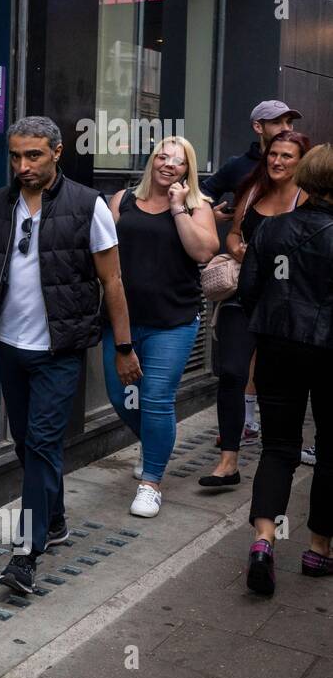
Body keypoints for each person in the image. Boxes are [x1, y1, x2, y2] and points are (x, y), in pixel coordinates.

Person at [0, 116, 140, 593]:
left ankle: (25, 555)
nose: (23, 166)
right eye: (15, 156)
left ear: (57, 151)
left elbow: (112, 281)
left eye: (33, 155)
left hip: (59, 350)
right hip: (10, 346)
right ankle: (54, 520)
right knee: (26, 445)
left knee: (44, 444)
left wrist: (124, 347)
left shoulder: (87, 205)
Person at [103, 137, 218, 517]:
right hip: (122, 320)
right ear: (152, 161)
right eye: (163, 156)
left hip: (174, 321)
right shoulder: (122, 200)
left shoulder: (196, 205)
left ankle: (151, 481)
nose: (169, 164)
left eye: (179, 161)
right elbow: (101, 250)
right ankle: (154, 443)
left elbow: (203, 252)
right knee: (121, 398)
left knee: (155, 399)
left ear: (189, 170)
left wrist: (176, 209)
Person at [236, 142, 333, 594]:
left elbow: (250, 291)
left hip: (277, 348)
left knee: (278, 447)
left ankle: (263, 541)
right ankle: (317, 550)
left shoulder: (272, 231)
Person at [200, 130, 311, 488]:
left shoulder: (308, 199)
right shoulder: (251, 191)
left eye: (286, 156)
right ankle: (228, 461)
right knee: (231, 372)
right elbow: (233, 233)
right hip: (241, 296)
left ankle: (278, 455)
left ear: (302, 161)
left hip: (286, 305)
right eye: (273, 155)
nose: (277, 161)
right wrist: (236, 250)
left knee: (278, 382)